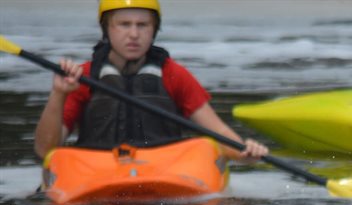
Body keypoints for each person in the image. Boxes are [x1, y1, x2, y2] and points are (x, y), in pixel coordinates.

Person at [33, 0, 268, 162]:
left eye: (142, 25)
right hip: (97, 173)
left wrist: (245, 151)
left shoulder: (174, 75)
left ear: (154, 29)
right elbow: (46, 150)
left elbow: (218, 132)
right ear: (107, 29)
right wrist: (59, 94)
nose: (134, 34)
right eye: (124, 24)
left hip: (165, 173)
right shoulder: (81, 77)